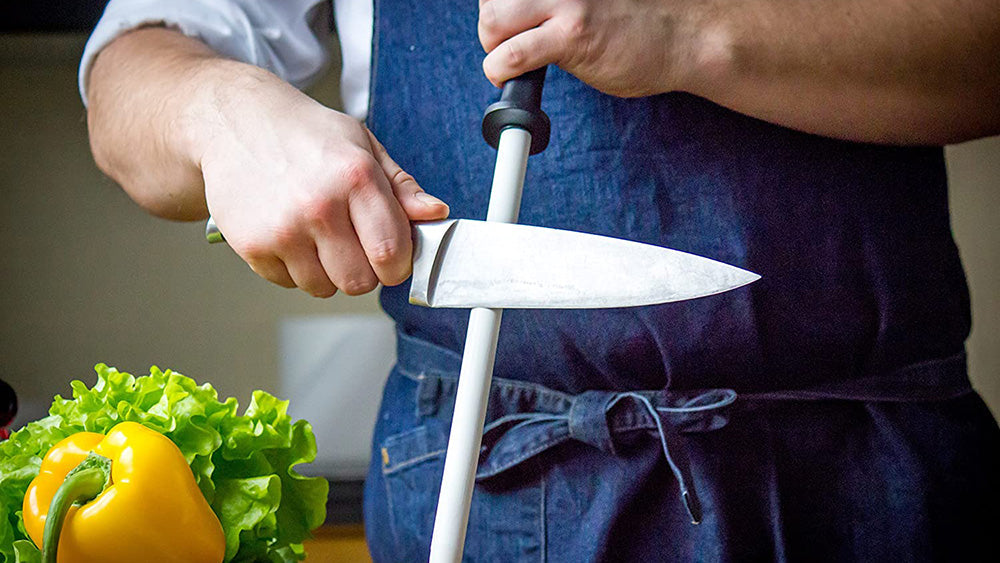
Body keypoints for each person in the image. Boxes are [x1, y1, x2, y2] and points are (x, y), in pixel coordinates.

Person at [81, 1, 1000, 561]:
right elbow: (129, 82)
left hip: (874, 479)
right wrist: (217, 109)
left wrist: (693, 30)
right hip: (490, 483)